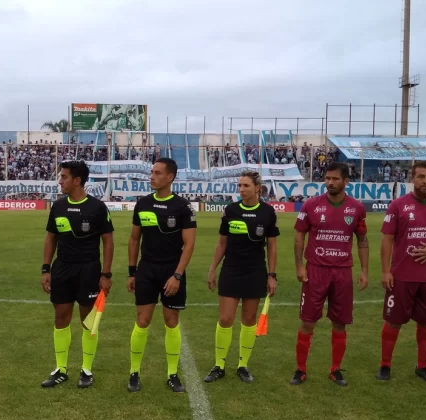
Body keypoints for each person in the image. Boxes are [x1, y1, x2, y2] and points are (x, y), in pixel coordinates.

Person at [291, 162, 368, 386]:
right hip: (315, 271)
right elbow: (299, 237)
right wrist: (299, 266)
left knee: (340, 322)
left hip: (343, 272)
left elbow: (362, 241)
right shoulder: (311, 205)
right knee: (307, 321)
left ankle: (335, 369)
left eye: (335, 179)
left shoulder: (356, 209)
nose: (330, 183)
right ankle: (300, 369)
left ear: (346, 182)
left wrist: (364, 271)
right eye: (327, 178)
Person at [377, 161, 426, 382]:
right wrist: (385, 271)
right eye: (421, 176)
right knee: (393, 321)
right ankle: (385, 365)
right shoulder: (398, 205)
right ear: (412, 178)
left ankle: (422, 366)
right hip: (401, 276)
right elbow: (387, 240)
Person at [40, 160, 114, 389]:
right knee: (60, 318)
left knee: (88, 322)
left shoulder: (97, 208)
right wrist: (46, 268)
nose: (60, 181)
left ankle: (86, 369)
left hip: (89, 269)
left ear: (77, 180)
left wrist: (106, 274)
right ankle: (61, 369)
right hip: (62, 268)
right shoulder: (58, 207)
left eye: (64, 177)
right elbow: (51, 238)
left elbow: (108, 241)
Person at [127, 158, 196, 392]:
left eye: (157, 173)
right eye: (151, 172)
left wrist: (177, 276)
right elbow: (134, 238)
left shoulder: (183, 207)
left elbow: (189, 245)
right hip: (147, 269)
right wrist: (132, 272)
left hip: (171, 270)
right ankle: (134, 372)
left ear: (170, 177)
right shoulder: (143, 204)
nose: (152, 176)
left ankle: (172, 374)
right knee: (142, 321)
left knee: (171, 321)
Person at [205, 171, 279, 383]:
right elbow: (222, 244)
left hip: (255, 271)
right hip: (231, 270)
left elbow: (272, 247)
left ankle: (243, 365)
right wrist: (213, 268)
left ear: (257, 188)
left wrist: (271, 275)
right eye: (239, 185)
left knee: (248, 320)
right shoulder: (230, 210)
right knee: (225, 318)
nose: (241, 189)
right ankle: (219, 365)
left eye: (245, 185)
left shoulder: (267, 212)